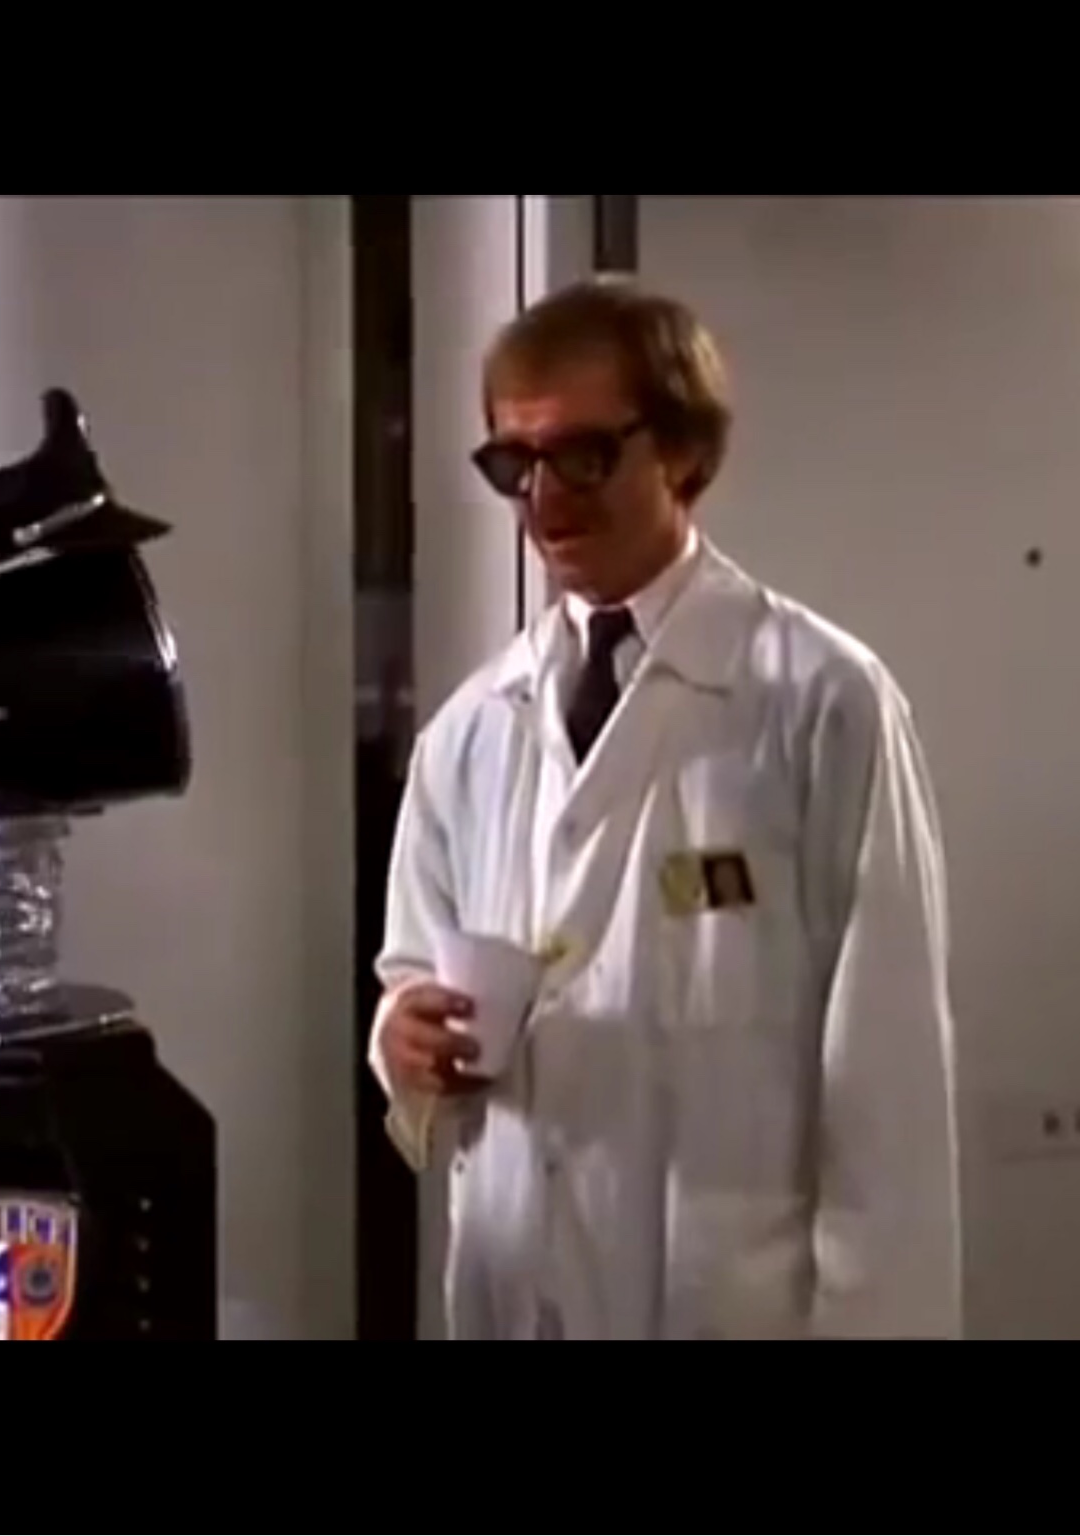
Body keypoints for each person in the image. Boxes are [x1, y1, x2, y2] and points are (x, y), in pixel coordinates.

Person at [368, 276, 962, 1340]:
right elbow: (412, 974)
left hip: (729, 1306)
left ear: (683, 451)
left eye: (583, 455)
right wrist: (401, 1041)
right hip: (514, 1296)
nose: (544, 499)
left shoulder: (819, 702)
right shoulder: (469, 732)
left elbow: (889, 1081)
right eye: (514, 463)